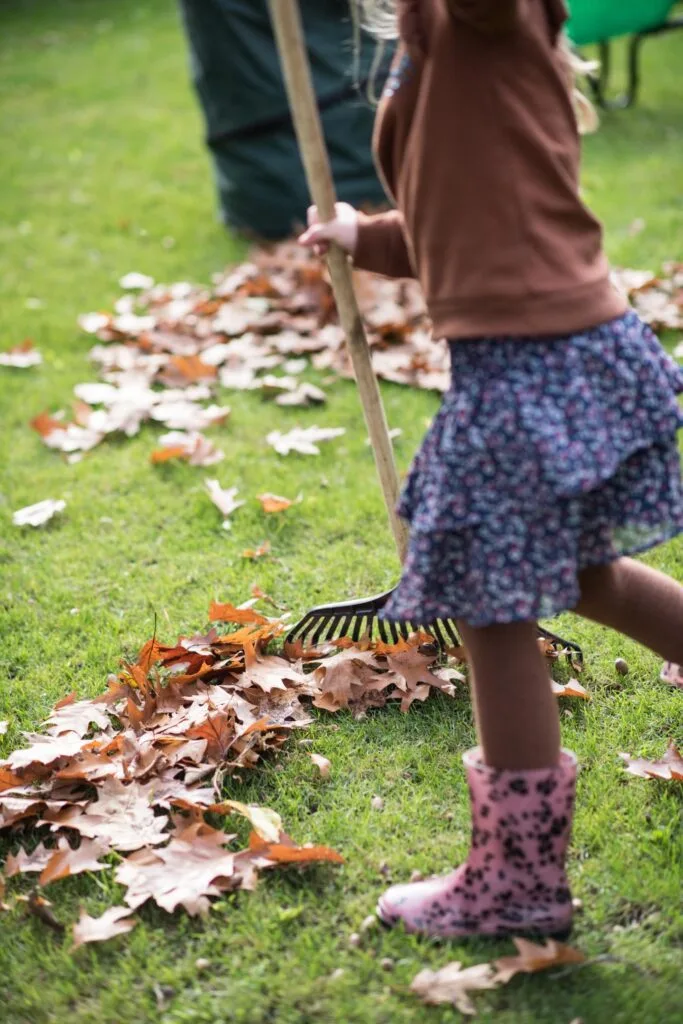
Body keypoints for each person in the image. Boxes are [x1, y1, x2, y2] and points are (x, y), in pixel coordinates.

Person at [298, 0, 683, 939]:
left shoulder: (483, 20)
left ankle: (518, 881)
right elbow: (457, 212)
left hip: (533, 360)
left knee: (491, 602)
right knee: (580, 570)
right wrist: (365, 237)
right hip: (553, 347)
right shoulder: (444, 48)